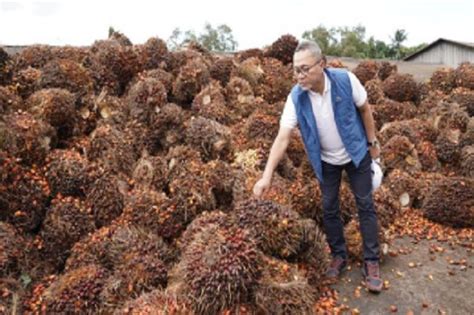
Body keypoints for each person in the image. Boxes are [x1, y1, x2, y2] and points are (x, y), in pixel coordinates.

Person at [253, 40, 383, 293]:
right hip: (326, 160)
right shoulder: (296, 97)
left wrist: (372, 142)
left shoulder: (346, 81)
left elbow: (365, 110)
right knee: (329, 207)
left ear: (321, 64)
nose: (298, 75)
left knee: (365, 204)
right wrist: (266, 176)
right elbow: (282, 137)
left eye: (304, 69)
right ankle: (339, 255)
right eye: (295, 70)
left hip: (356, 153)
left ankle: (371, 261)